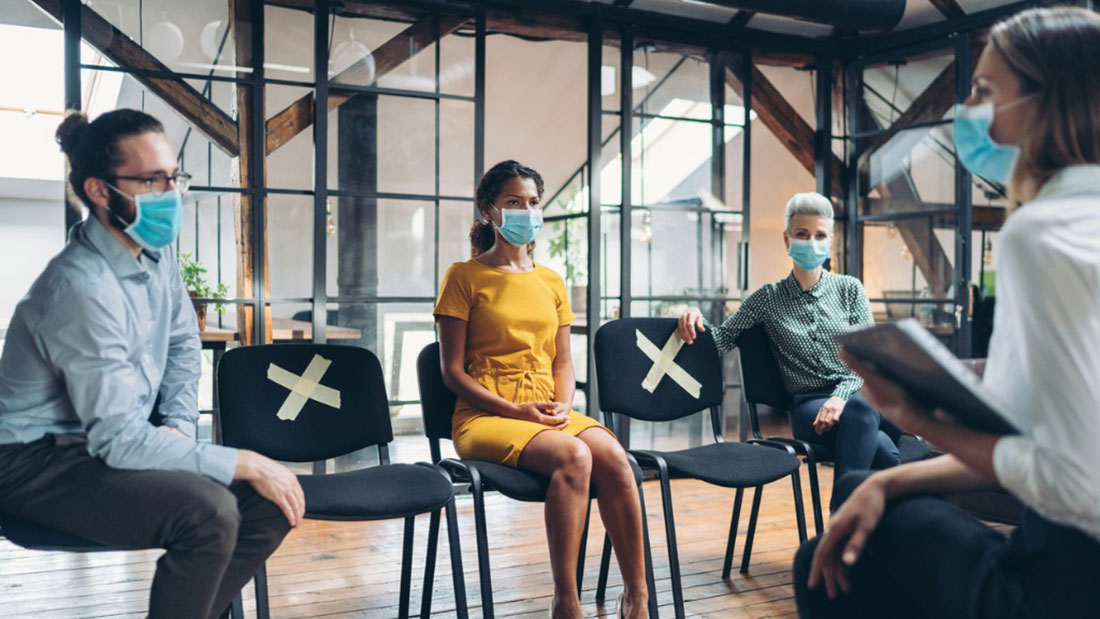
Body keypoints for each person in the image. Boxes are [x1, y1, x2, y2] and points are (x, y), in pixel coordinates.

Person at [794, 7, 1100, 618]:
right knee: (866, 486)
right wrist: (889, 479)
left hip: (1063, 582)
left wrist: (912, 414)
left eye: (985, 92)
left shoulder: (1040, 233)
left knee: (827, 562)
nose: (969, 112)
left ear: (1047, 100)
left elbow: (1073, 481)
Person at [0, 109, 305, 619]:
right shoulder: (80, 288)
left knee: (271, 502)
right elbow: (118, 440)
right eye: (151, 179)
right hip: (33, 463)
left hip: (98, 448)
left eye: (174, 176)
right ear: (99, 191)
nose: (170, 193)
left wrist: (181, 426)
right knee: (208, 514)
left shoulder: (155, 257)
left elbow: (185, 345)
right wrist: (246, 460)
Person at [435, 160, 647, 619]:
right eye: (513, 202)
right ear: (489, 211)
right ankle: (565, 602)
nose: (526, 211)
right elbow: (452, 373)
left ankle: (638, 597)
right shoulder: (463, 277)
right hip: (484, 415)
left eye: (533, 202)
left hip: (547, 408)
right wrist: (518, 411)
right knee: (574, 456)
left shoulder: (551, 280)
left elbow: (563, 361)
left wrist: (563, 406)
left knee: (616, 457)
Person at [678, 192, 901, 483]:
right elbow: (721, 340)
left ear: (830, 240)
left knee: (864, 412)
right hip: (810, 406)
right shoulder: (767, 299)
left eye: (820, 235)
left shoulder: (851, 289)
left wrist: (841, 397)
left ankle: (842, 521)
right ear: (786, 240)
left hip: (859, 395)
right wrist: (692, 314)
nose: (811, 242)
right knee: (882, 448)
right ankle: (853, 520)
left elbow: (868, 361)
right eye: (802, 234)